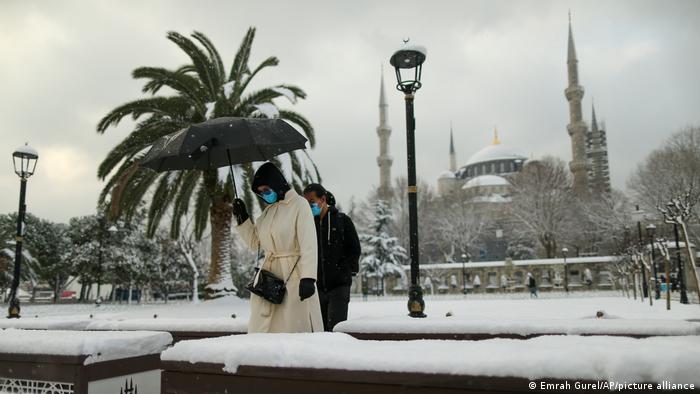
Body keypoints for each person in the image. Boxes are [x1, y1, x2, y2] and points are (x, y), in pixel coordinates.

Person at [232, 162, 323, 333]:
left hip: (294, 275)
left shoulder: (299, 205)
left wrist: (309, 278)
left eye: (266, 189)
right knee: (263, 327)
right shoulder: (268, 211)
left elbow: (309, 244)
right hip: (269, 278)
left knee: (292, 325)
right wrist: (242, 218)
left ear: (276, 183)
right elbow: (255, 242)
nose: (264, 195)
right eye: (260, 193)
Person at [303, 183, 361, 331]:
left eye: (312, 202)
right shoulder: (308, 224)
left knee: (335, 329)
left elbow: (354, 248)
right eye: (306, 203)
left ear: (323, 199)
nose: (310, 206)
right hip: (317, 288)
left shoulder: (342, 220)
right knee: (318, 329)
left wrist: (344, 270)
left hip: (339, 286)